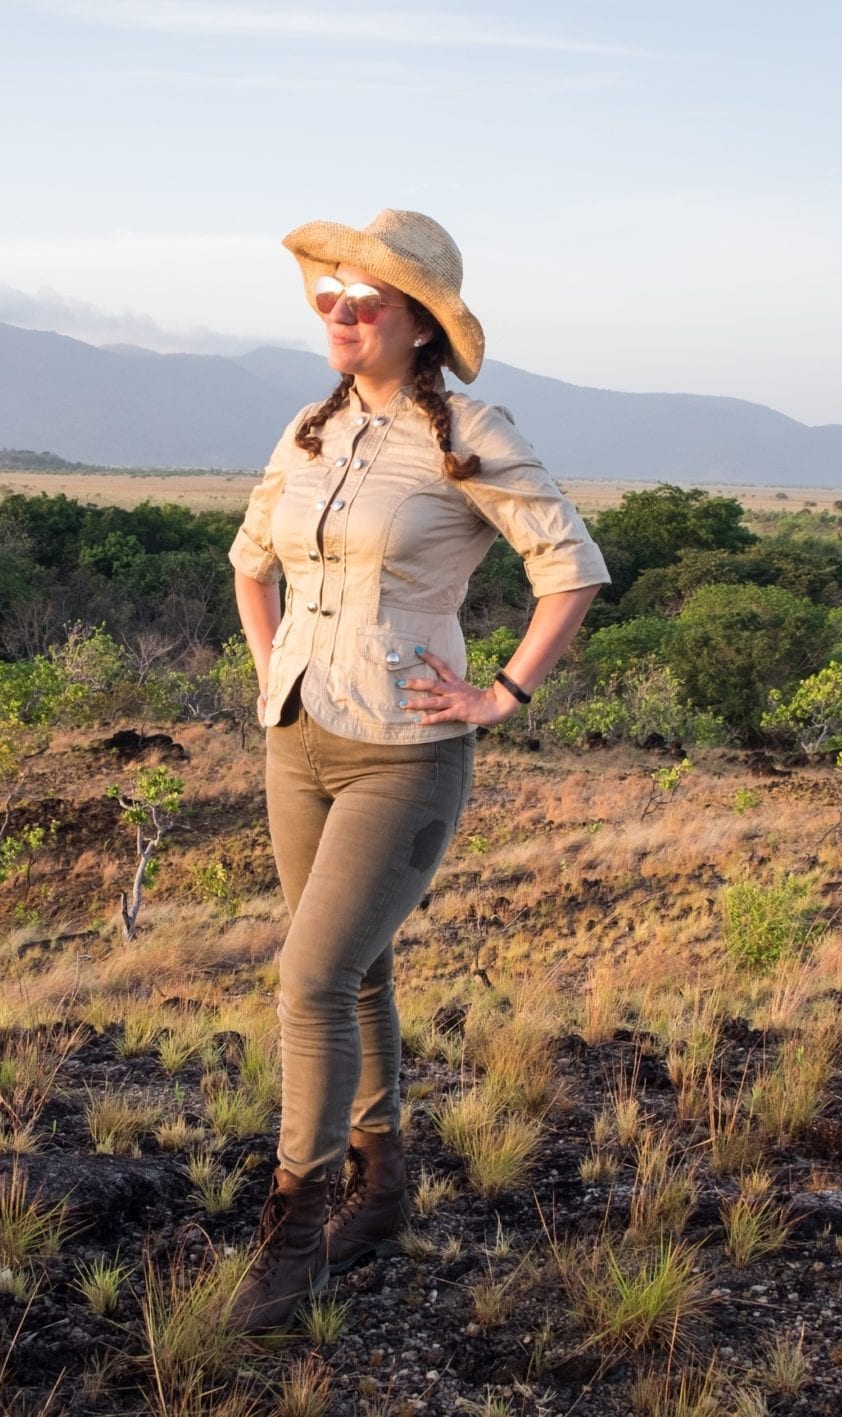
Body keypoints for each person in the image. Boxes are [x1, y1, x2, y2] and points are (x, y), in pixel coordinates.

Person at [225, 209, 613, 1332]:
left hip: (404, 751)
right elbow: (251, 563)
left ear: (418, 322)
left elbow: (570, 568)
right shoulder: (307, 428)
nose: (339, 317)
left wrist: (500, 692)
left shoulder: (471, 432)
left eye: (363, 303)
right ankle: (381, 1189)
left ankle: (293, 1235)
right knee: (354, 974)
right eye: (327, 301)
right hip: (296, 736)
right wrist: (272, 671)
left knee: (307, 980)